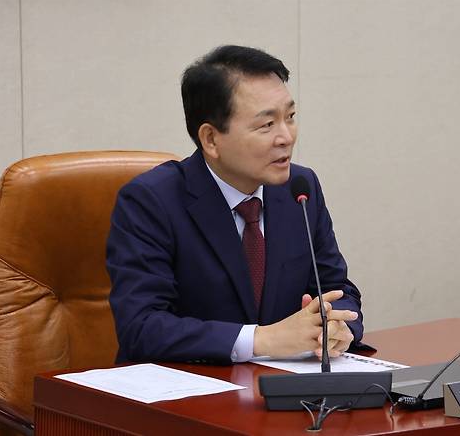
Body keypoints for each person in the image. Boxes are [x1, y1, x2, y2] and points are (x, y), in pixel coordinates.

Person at [107, 45, 363, 364]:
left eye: (290, 117)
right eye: (266, 125)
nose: (286, 137)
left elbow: (337, 288)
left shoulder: (300, 188)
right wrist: (261, 339)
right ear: (211, 139)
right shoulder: (150, 201)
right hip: (190, 386)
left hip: (282, 384)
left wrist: (336, 326)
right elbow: (142, 327)